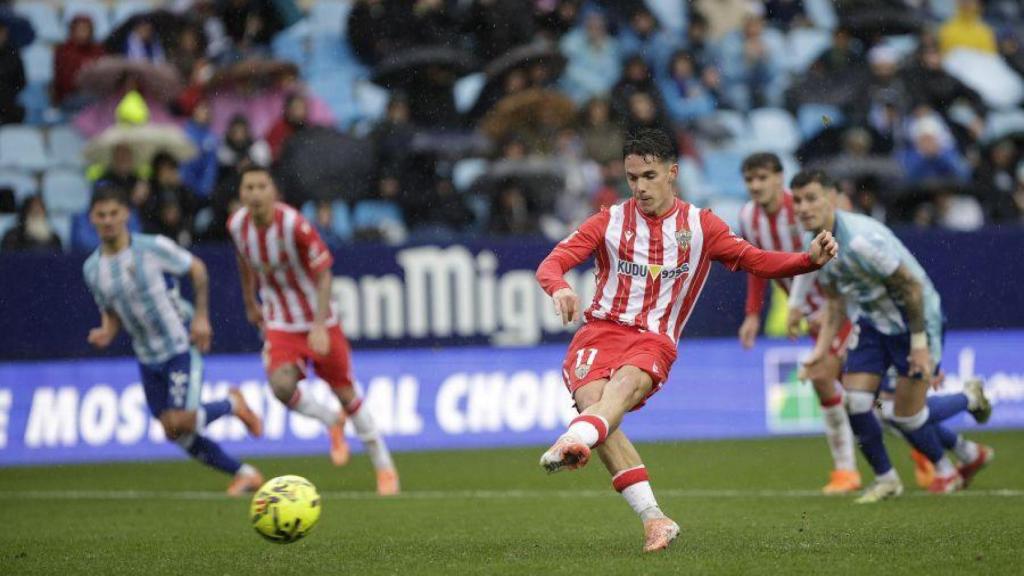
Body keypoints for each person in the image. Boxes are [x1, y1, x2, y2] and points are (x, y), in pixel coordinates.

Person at [534, 128, 838, 552]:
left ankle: (574, 439)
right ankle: (655, 520)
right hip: (599, 331)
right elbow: (552, 263)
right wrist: (561, 288)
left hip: (654, 338)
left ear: (672, 172)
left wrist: (809, 260)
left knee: (617, 395)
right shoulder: (609, 220)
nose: (639, 187)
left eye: (649, 176)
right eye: (632, 177)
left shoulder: (701, 226)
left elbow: (757, 261)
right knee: (596, 408)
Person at [791, 169, 994, 503]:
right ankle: (888, 479)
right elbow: (836, 301)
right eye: (797, 200)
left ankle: (969, 399)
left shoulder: (860, 240)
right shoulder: (815, 242)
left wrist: (919, 345)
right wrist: (821, 351)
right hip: (873, 321)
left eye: (812, 198)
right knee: (857, 402)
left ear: (832, 196)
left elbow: (911, 288)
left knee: (906, 415)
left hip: (915, 320)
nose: (803, 207)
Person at [227, 166, 400, 495]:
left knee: (346, 394)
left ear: (273, 192)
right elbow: (243, 260)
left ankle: (384, 468)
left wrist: (319, 324)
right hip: (280, 321)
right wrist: (250, 301)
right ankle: (329, 421)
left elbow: (324, 272)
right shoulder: (237, 225)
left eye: (261, 186)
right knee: (280, 387)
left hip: (320, 320)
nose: (254, 193)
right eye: (248, 187)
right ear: (241, 193)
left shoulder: (294, 225)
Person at [82, 185, 264, 495]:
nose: (108, 220)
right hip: (146, 356)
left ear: (126, 214)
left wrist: (201, 317)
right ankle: (246, 474)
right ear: (92, 219)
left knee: (182, 419)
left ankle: (233, 404)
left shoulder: (151, 248)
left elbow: (197, 269)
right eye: (102, 215)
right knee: (173, 431)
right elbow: (111, 312)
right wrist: (106, 331)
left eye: (114, 213)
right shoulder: (92, 269)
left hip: (180, 345)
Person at [735, 153, 860, 494]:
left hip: (843, 308)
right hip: (811, 315)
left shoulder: (806, 207)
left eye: (762, 177)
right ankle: (853, 469)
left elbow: (841, 251)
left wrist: (835, 301)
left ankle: (851, 469)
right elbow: (758, 265)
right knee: (846, 385)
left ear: (779, 178)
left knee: (851, 385)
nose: (755, 186)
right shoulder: (748, 217)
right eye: (749, 180)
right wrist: (752, 314)